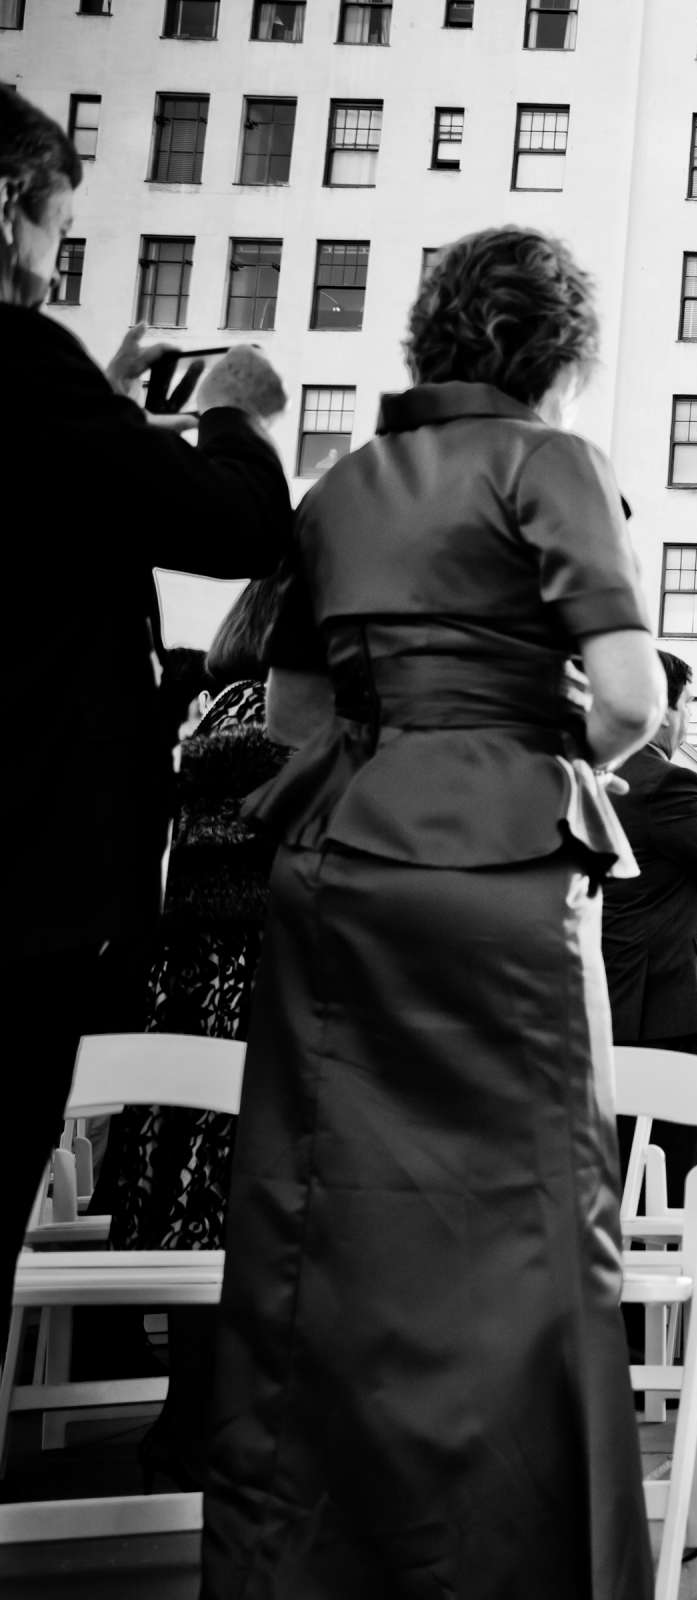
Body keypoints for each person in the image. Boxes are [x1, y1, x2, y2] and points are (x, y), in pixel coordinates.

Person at [205, 226, 664, 1596]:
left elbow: (291, 712)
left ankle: (317, 1563)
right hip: (500, 878)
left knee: (327, 1227)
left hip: (343, 868)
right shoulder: (549, 463)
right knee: (531, 1230)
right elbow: (632, 700)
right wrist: (536, 752)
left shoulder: (338, 484)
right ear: (557, 349)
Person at [3, 84, 293, 1315]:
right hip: (21, 880)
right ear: (8, 203)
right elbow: (234, 525)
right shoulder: (15, 361)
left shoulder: (45, 401)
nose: (46, 270)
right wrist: (230, 417)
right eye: (52, 235)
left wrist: (109, 416)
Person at [84, 580, 294, 1491]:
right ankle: (207, 1425)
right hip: (243, 990)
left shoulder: (213, 710)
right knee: (235, 1208)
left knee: (201, 1206)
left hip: (188, 986)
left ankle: (191, 1417)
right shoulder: (271, 728)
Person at [602, 650, 697, 1254]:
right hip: (675, 1001)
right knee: (679, 1176)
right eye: (687, 706)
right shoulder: (667, 781)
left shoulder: (613, 777)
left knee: (630, 1174)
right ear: (661, 712)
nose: (687, 722)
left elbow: (687, 835)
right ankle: (669, 1328)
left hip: (627, 996)